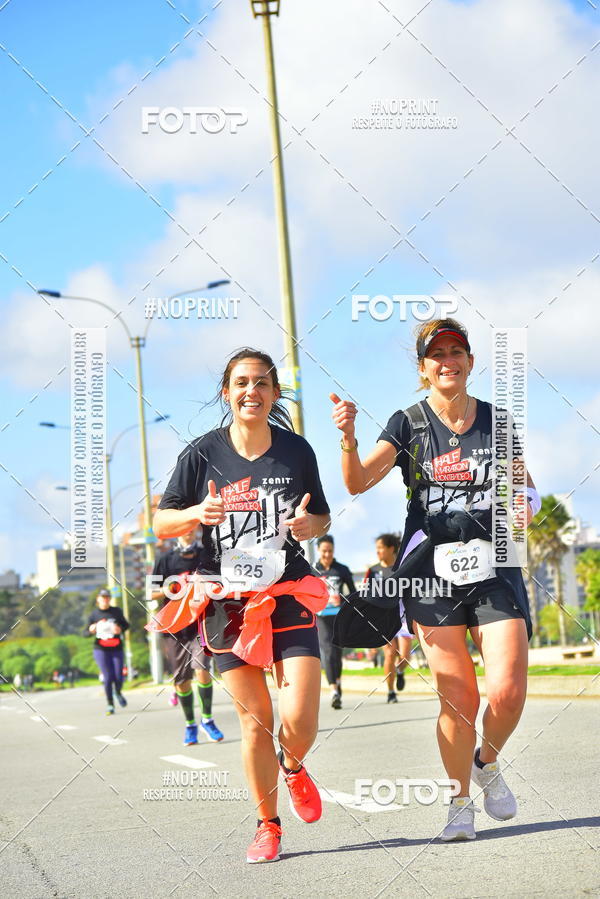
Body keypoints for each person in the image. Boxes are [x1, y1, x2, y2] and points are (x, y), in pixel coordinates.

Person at [331, 318, 536, 841]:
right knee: (458, 696)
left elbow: (527, 494)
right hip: (430, 576)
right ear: (423, 369)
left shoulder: (498, 421)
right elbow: (356, 482)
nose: (448, 360)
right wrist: (349, 439)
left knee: (508, 690)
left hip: (494, 569)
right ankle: (458, 806)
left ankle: (485, 762)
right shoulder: (409, 424)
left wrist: (522, 509)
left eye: (457, 351)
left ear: (470, 362)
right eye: (437, 354)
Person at [151, 348, 331, 864]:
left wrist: (307, 527)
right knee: (255, 719)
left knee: (300, 714)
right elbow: (162, 524)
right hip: (226, 602)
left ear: (274, 394)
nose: (251, 392)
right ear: (226, 393)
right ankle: (267, 825)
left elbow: (320, 517)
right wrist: (195, 512)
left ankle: (292, 766)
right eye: (241, 383)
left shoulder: (297, 452)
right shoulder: (201, 453)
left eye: (261, 384)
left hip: (287, 589)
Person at [151, 530, 224, 745]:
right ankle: (190, 724)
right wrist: (167, 588)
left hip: (200, 623)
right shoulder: (165, 560)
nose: (189, 532)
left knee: (202, 669)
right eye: (184, 529)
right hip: (174, 628)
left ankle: (208, 720)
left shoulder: (205, 555)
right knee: (182, 680)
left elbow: (219, 582)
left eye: (192, 528)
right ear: (177, 533)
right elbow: (151, 591)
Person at [363, 533, 414, 703]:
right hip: (384, 617)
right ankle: (391, 691)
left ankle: (400, 672)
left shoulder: (403, 567)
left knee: (405, 656)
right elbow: (366, 597)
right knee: (390, 654)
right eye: (376, 548)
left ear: (391, 548)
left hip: (404, 617)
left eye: (380, 548)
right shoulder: (373, 571)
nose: (377, 551)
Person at [314, 534, 356, 709]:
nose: (327, 554)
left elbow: (354, 593)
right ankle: (333, 691)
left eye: (330, 551)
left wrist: (343, 599)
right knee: (329, 651)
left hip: (339, 617)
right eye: (324, 551)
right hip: (321, 616)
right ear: (318, 550)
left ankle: (337, 684)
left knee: (337, 654)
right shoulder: (312, 570)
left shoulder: (342, 570)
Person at [87, 589, 130, 715]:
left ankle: (117, 692)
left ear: (109, 599)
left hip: (116, 647)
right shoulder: (94, 614)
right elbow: (85, 632)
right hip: (101, 649)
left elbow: (126, 625)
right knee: (108, 677)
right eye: (102, 597)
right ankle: (110, 704)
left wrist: (120, 629)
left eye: (107, 597)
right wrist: (91, 629)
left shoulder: (116, 611)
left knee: (118, 675)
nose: (105, 599)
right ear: (98, 599)